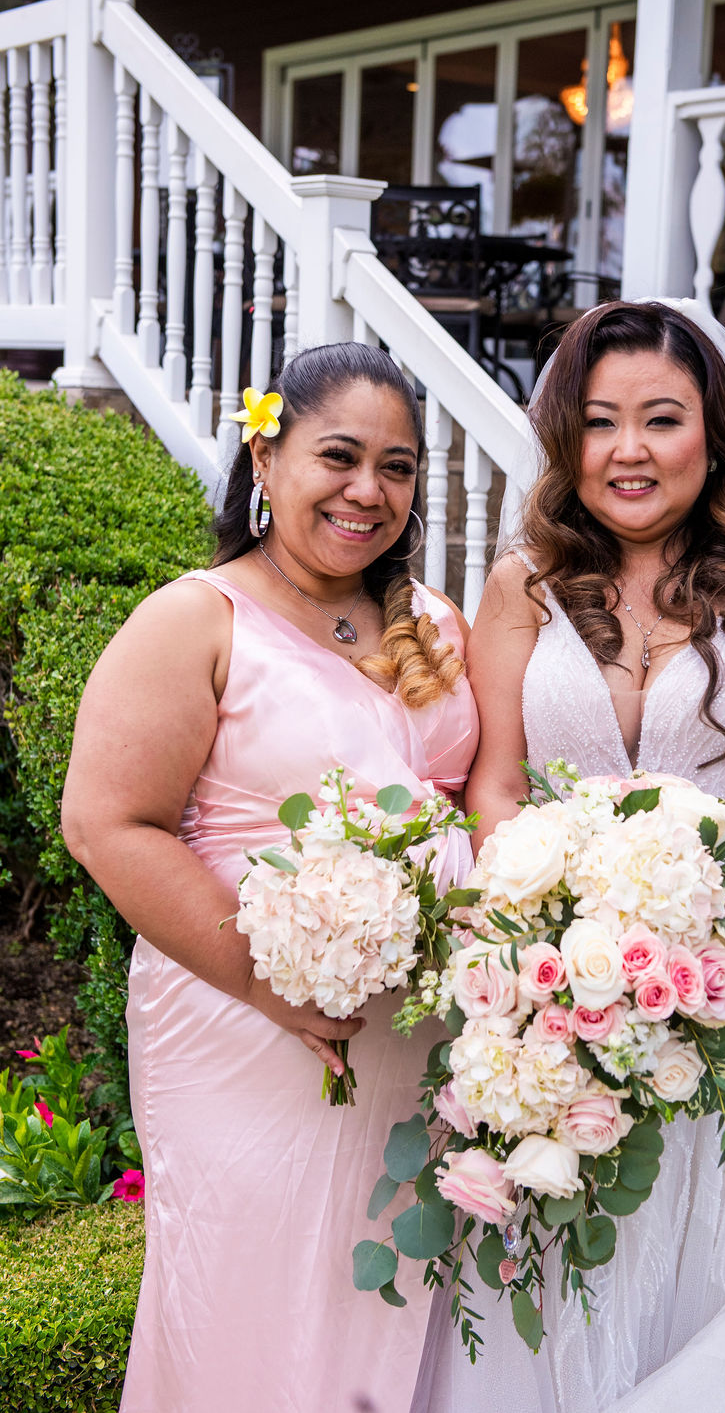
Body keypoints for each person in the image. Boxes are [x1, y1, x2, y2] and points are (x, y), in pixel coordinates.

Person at [412, 300, 725, 1412]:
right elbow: (495, 783)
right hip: (567, 983)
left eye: (661, 419)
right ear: (566, 439)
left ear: (712, 435)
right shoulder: (524, 582)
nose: (627, 450)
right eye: (599, 422)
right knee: (583, 1239)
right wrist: (536, 945)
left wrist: (705, 955)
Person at [62, 343, 479, 1413]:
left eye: (396, 467)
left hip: (418, 1037)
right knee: (251, 1305)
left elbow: (482, 797)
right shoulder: (197, 618)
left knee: (398, 1307)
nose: (367, 490)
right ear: (266, 455)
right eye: (339, 456)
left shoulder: (432, 623)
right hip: (244, 1025)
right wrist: (268, 983)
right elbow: (107, 825)